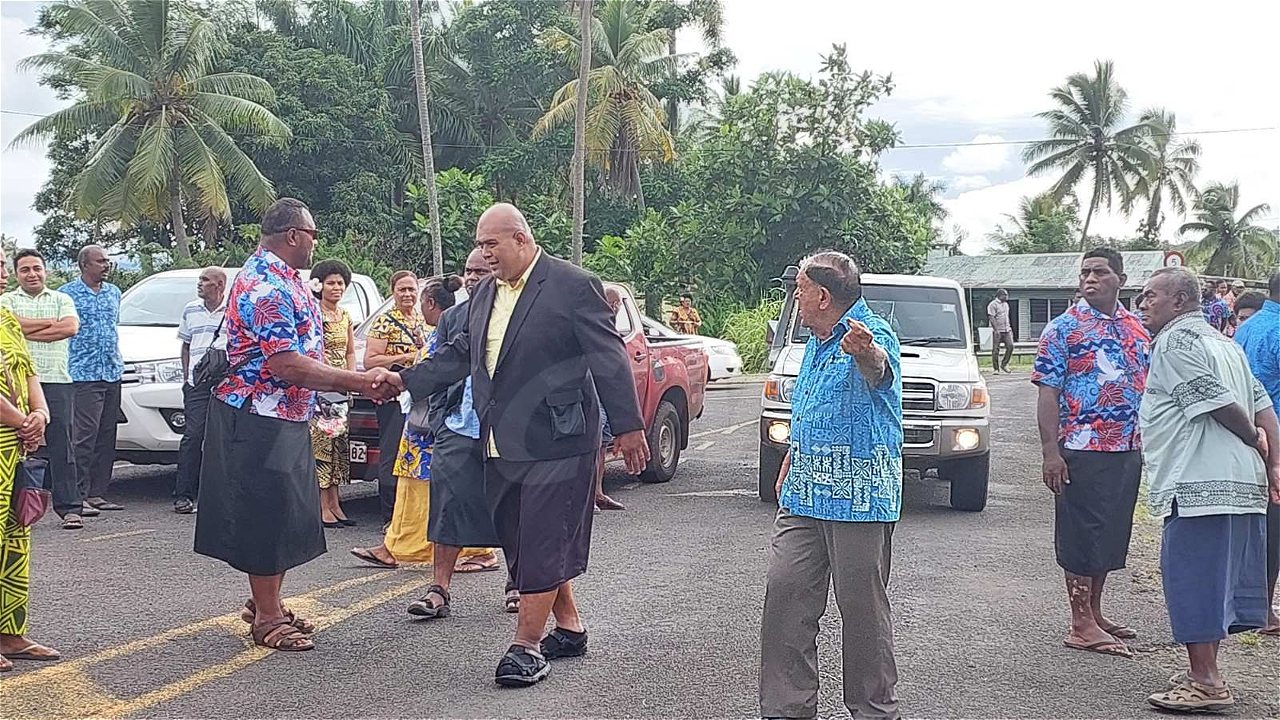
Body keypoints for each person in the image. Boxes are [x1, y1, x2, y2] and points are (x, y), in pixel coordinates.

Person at [399, 203, 649, 687]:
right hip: (500, 440)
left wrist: (628, 425)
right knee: (521, 537)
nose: (484, 254)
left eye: (491, 244)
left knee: (543, 538)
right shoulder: (485, 294)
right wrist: (404, 380)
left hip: (559, 440)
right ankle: (569, 628)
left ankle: (526, 647)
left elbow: (608, 356)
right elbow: (460, 353)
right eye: (479, 245)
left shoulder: (572, 285)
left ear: (521, 238)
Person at [194, 198, 401, 653]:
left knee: (285, 512)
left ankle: (263, 602)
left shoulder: (287, 279)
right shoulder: (265, 287)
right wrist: (361, 382)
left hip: (284, 413)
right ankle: (267, 619)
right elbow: (286, 364)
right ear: (293, 235)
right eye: (313, 235)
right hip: (258, 415)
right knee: (266, 514)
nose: (315, 243)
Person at [760, 251, 903, 720]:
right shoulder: (815, 341)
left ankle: (874, 710)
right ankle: (787, 709)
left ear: (822, 296)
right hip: (803, 494)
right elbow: (814, 407)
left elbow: (880, 370)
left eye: (800, 290)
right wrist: (792, 453)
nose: (795, 299)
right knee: (786, 596)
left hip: (857, 499)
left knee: (862, 612)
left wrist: (865, 352)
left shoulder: (871, 334)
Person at [1137, 267, 1280, 712]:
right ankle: (1205, 671)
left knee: (1194, 578)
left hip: (1199, 479)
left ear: (1179, 301)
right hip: (1239, 482)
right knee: (1216, 580)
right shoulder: (1225, 343)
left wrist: (1253, 438)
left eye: (1151, 295)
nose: (1142, 303)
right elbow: (1264, 404)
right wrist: (1273, 461)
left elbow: (1217, 402)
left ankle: (1206, 681)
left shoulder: (1175, 342)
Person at [1031, 248, 1150, 659]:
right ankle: (1080, 623)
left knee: (1110, 533)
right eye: (1085, 273)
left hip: (1127, 447)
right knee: (1081, 533)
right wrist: (1051, 452)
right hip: (1081, 448)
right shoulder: (1063, 329)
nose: (1090, 279)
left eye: (1100, 272)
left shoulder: (1136, 327)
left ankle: (1095, 613)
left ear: (1121, 279)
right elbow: (1048, 392)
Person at [352, 275, 497, 577]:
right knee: (414, 486)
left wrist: (403, 379)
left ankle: (478, 552)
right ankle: (395, 545)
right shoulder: (435, 323)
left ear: (429, 303)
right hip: (422, 419)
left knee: (448, 491)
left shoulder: (456, 322)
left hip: (441, 420)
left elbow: (443, 366)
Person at [0, 245, 60, 673]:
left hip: (16, 445)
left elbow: (28, 372)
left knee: (16, 536)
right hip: (12, 431)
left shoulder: (7, 318)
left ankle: (10, 632)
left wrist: (40, 414)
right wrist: (24, 420)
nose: (2, 271)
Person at [0, 249, 81, 530]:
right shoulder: (6, 301)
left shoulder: (62, 299)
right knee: (21, 444)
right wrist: (50, 324)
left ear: (45, 271)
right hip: (16, 386)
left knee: (62, 445)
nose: (32, 274)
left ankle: (70, 508)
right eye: (25, 269)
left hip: (56, 380)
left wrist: (27, 329)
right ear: (17, 274)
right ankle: (19, 507)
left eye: (37, 268)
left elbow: (70, 328)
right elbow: (15, 326)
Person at [1234, 272, 1280, 636]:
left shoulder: (1247, 327)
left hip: (1248, 436)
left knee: (1259, 523)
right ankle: (1263, 609)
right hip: (1275, 436)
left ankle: (1254, 605)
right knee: (1273, 526)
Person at [62, 245, 125, 513]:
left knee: (106, 435)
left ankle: (98, 492)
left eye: (107, 261)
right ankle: (77, 495)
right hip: (83, 373)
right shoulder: (67, 294)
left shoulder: (114, 292)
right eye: (100, 261)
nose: (106, 265)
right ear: (84, 265)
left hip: (111, 370)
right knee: (84, 436)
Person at [365, 270, 428, 526]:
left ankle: (410, 516)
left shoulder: (422, 319)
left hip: (417, 399)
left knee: (415, 454)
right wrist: (405, 357)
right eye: (402, 289)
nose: (407, 294)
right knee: (391, 454)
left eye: (411, 289)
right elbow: (370, 360)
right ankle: (389, 515)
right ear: (392, 292)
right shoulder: (384, 321)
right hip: (392, 399)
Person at [172, 267, 226, 515]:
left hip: (225, 383)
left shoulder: (233, 311)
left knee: (222, 438)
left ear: (219, 285)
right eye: (200, 279)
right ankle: (183, 494)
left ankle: (218, 494)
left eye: (205, 280)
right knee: (193, 436)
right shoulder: (191, 309)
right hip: (197, 384)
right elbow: (186, 345)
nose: (200, 284)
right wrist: (187, 377)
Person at [310, 259, 357, 528]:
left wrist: (351, 379)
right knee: (323, 446)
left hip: (341, 388)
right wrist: (329, 376)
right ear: (320, 286)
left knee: (339, 444)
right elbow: (314, 350)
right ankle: (322, 506)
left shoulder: (345, 315)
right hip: (322, 387)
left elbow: (350, 352)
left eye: (340, 283)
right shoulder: (315, 314)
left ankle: (335, 503)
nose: (336, 287)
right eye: (331, 283)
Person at [594, 286, 626, 511]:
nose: (616, 308)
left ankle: (598, 492)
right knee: (592, 445)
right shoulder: (592, 322)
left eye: (618, 304)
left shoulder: (610, 325)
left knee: (603, 444)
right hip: (591, 392)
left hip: (606, 392)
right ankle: (588, 496)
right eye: (613, 303)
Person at [987, 288, 1014, 373]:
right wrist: (996, 330)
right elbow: (991, 317)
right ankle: (996, 368)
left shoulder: (1006, 305)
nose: (1007, 296)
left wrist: (1009, 328)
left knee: (1010, 346)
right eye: (1005, 295)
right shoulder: (993, 304)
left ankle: (1004, 364)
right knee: (996, 349)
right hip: (997, 330)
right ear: (1000, 295)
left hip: (1007, 329)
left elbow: (1006, 317)